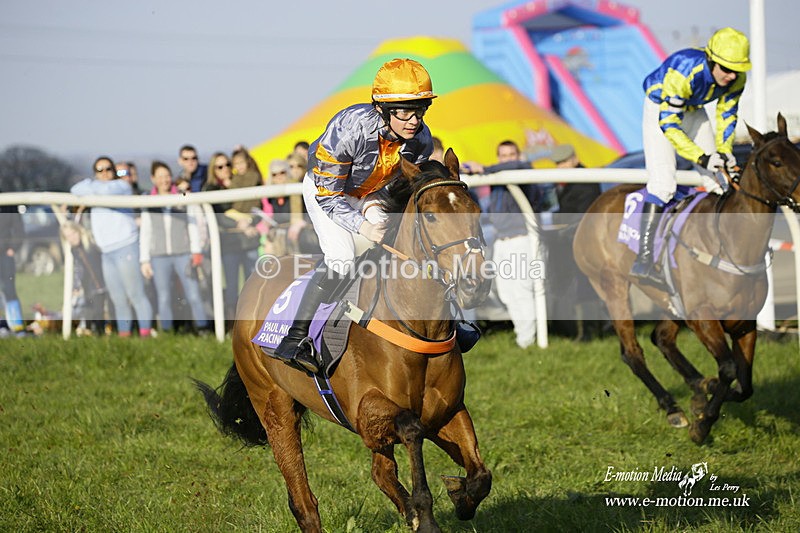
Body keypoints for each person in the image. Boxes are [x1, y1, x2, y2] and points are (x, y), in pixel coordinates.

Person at [274, 58, 437, 372]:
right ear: (382, 109)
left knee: (409, 245)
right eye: (404, 111)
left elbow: (398, 187)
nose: (414, 120)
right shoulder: (349, 127)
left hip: (370, 192)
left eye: (420, 110)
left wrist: (378, 210)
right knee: (342, 258)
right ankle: (294, 339)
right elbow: (329, 195)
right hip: (326, 188)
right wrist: (363, 226)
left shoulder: (421, 140)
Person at [631, 27, 750, 289]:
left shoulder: (737, 79)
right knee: (663, 184)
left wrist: (724, 151)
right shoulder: (683, 70)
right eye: (726, 69)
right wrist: (701, 157)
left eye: (737, 70)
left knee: (717, 182)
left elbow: (727, 117)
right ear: (711, 60)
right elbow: (670, 125)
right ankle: (644, 259)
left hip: (694, 109)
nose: (732, 76)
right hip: (661, 108)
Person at [464, 140, 542, 349]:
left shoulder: (523, 170)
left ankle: (527, 342)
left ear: (518, 156)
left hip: (521, 239)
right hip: (501, 240)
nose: (507, 159)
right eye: (503, 156)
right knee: (506, 292)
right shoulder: (497, 175)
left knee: (521, 291)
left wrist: (484, 169)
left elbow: (519, 167)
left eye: (511, 155)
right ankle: (523, 337)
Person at [70, 156, 153, 337]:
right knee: (117, 298)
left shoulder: (121, 186)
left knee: (135, 294)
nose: (105, 173)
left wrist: (91, 187)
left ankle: (146, 335)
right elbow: (75, 189)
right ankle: (125, 335)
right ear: (95, 173)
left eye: (108, 169)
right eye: (100, 170)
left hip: (126, 246)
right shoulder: (98, 188)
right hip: (106, 251)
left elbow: (107, 190)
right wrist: (93, 187)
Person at [139, 161, 209, 334]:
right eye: (160, 176)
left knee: (193, 293)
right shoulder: (149, 201)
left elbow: (192, 225)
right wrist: (144, 259)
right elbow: (146, 231)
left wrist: (196, 250)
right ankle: (167, 331)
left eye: (167, 176)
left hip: (183, 253)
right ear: (153, 179)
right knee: (163, 297)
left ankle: (202, 328)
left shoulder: (182, 197)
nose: (164, 180)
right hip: (159, 256)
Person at [546, 144, 604, 340]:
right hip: (574, 241)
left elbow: (581, 213)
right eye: (558, 163)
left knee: (585, 285)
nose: (560, 167)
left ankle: (590, 332)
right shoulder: (571, 180)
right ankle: (590, 330)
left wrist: (556, 221)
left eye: (563, 162)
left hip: (585, 242)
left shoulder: (584, 180)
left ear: (574, 159)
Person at [60, 220, 107, 336]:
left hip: (102, 283)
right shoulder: (74, 250)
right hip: (90, 288)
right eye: (68, 236)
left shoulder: (91, 244)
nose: (72, 238)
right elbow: (79, 270)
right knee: (92, 314)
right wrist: (76, 287)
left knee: (100, 313)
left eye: (73, 233)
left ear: (79, 231)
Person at [0, 199, 25, 334]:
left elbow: (19, 229)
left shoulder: (8, 203)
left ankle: (17, 326)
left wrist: (13, 247)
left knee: (9, 290)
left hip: (5, 255)